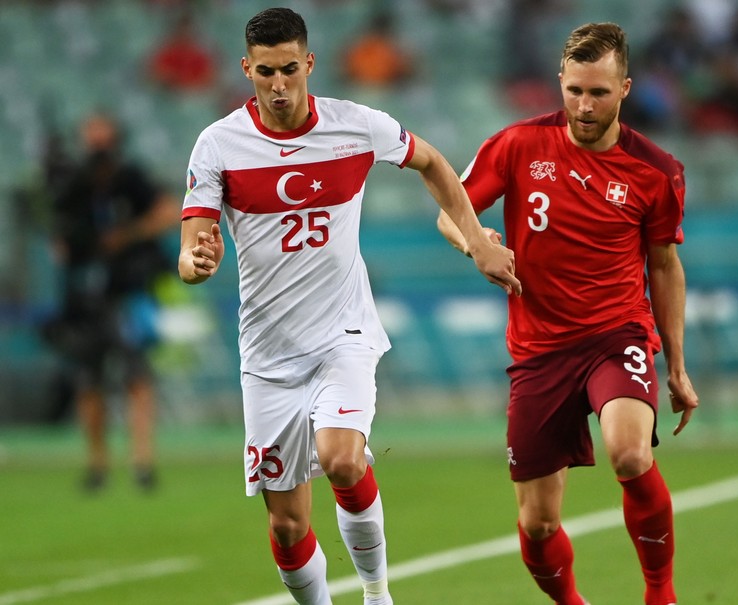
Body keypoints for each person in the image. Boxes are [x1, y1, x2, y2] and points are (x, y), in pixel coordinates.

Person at [177, 8, 520, 605]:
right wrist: (195, 261)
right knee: (286, 524)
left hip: (345, 332)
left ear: (309, 63)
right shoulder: (218, 145)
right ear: (246, 69)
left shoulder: (355, 125)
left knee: (341, 458)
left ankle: (377, 594)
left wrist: (473, 241)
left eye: (289, 69)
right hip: (268, 354)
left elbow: (433, 163)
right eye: (265, 73)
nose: (279, 85)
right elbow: (192, 243)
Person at [437, 22, 699, 605]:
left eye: (599, 93)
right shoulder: (516, 144)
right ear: (560, 81)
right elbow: (450, 211)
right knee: (538, 524)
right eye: (575, 90)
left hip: (617, 334)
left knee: (630, 454)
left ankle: (661, 595)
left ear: (625, 88)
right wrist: (476, 245)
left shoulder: (657, 171)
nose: (584, 105)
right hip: (538, 351)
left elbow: (664, 266)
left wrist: (676, 364)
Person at [47, 111, 178, 492]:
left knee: (137, 376)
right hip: (88, 297)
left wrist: (127, 235)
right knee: (90, 381)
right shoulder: (72, 182)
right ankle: (98, 462)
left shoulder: (132, 177)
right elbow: (59, 238)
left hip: (130, 292)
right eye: (90, 132)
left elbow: (168, 212)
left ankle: (142, 461)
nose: (96, 140)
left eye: (102, 131)